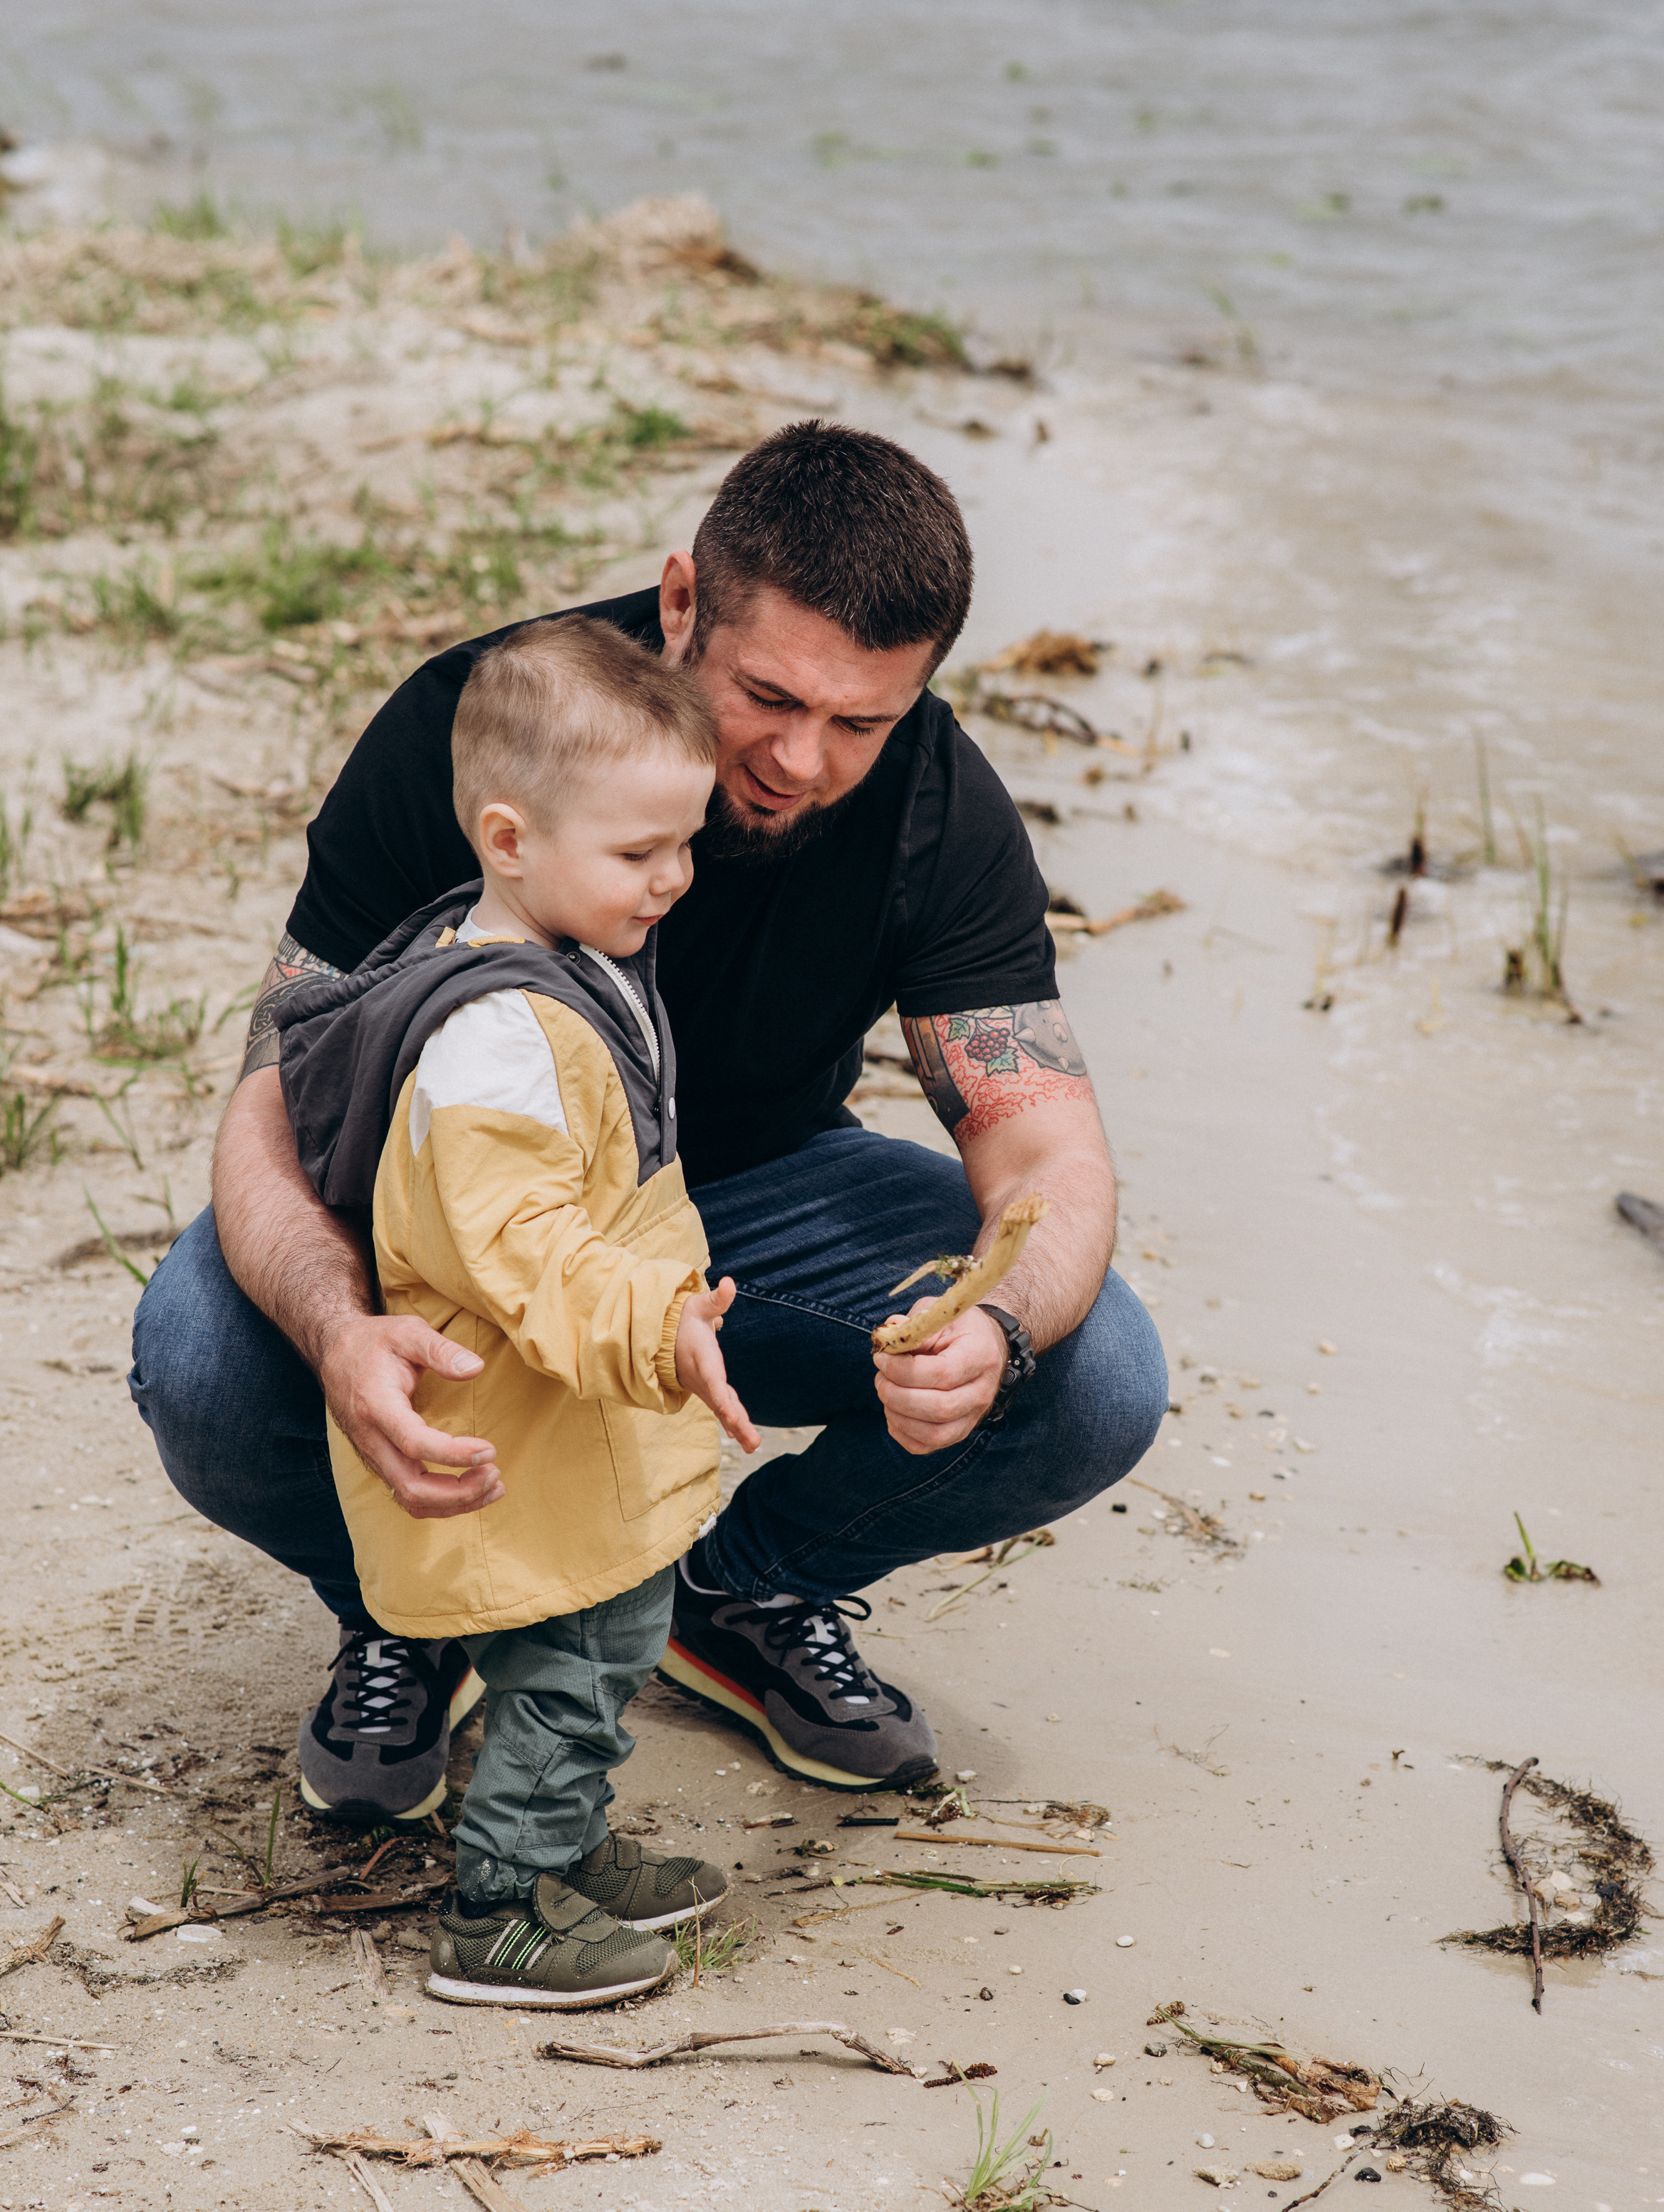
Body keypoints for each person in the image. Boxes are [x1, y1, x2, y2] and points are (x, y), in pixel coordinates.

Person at [129, 420, 1168, 1822]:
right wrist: (334, 1324)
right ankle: (412, 1607)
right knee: (196, 1343)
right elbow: (270, 1101)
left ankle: (734, 1591)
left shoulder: (937, 807)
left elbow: (1049, 1154)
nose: (803, 761)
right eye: (768, 698)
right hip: (450, 1226)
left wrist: (993, 1324)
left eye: (860, 720)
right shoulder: (485, 728)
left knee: (1094, 1363)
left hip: (741, 1217)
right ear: (682, 602)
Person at [279, 615, 744, 2005]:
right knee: (572, 1658)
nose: (674, 877)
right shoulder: (496, 1041)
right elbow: (521, 1243)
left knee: (602, 1648)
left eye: (685, 842)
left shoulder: (560, 949)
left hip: (574, 1419)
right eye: (639, 851)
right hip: (537, 1429)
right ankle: (502, 1906)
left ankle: (567, 1848)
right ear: (508, 834)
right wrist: (654, 1321)